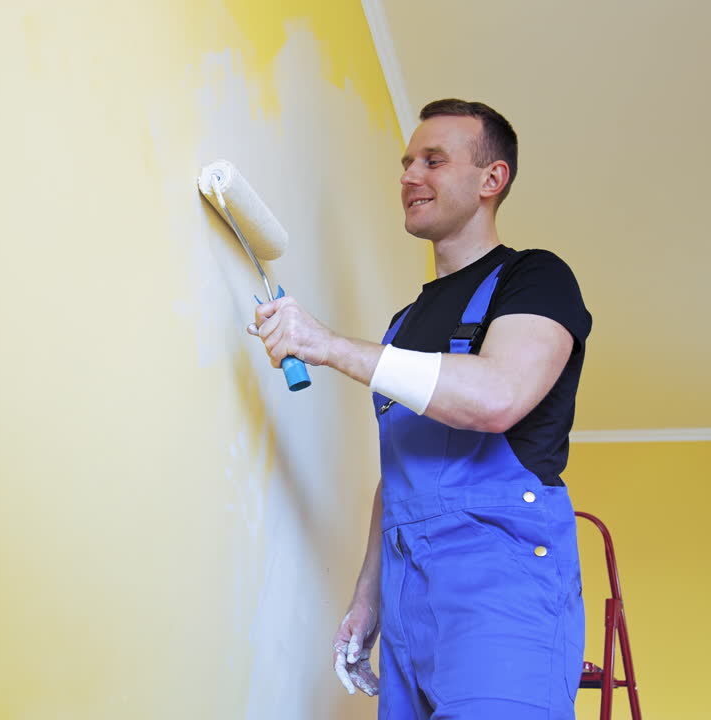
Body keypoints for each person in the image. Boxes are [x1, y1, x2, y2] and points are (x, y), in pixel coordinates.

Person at [247, 99, 591, 720]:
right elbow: (401, 473)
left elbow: (497, 397)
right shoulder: (404, 326)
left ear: (493, 180)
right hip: (408, 593)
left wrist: (326, 345)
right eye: (407, 162)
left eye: (433, 160)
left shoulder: (535, 278)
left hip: (500, 584)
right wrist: (367, 600)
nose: (409, 175)